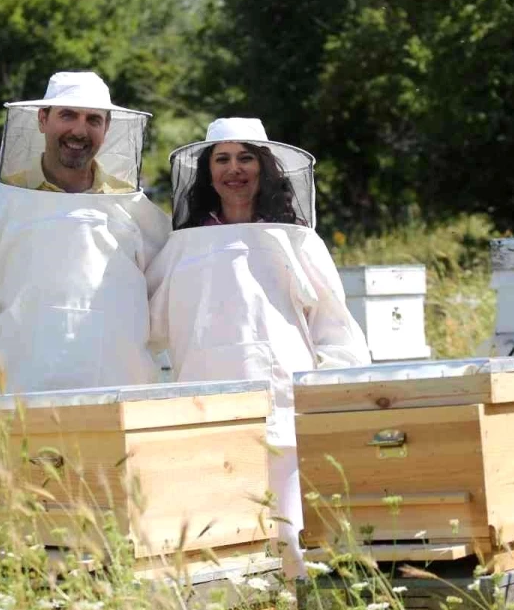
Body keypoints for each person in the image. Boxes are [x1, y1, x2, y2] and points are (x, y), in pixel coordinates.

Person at [146, 117, 370, 576]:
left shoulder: (298, 241)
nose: (235, 169)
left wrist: (332, 406)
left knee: (292, 536)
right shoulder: (182, 246)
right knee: (218, 542)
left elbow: (336, 331)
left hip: (285, 414)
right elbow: (149, 329)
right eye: (222, 158)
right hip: (207, 416)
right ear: (207, 172)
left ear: (265, 167)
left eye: (246, 157)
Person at [0, 71, 171, 405]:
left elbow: (173, 299)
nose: (79, 130)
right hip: (21, 405)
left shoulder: (131, 207)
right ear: (42, 120)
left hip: (126, 405)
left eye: (93, 119)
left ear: (107, 127)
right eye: (68, 115)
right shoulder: (3, 201)